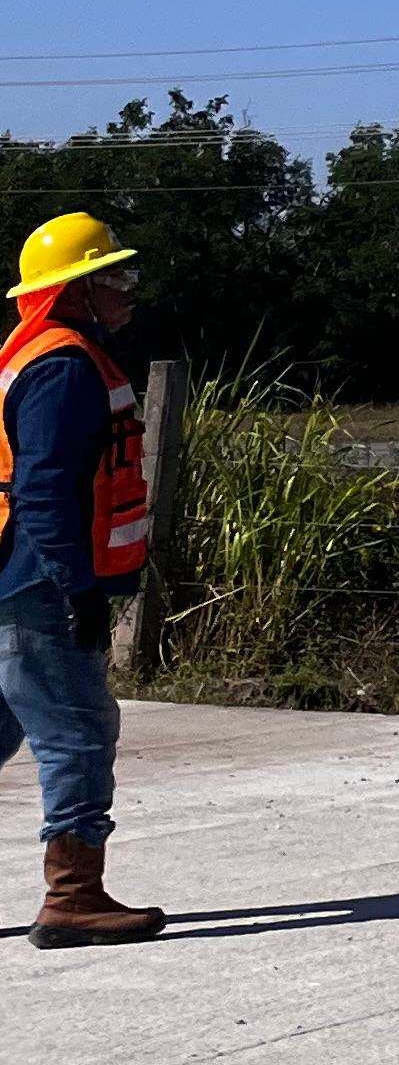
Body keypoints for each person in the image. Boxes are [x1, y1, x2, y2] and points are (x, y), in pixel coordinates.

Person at [0, 214, 165, 946]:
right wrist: (77, 589)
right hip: (40, 580)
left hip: (13, 572)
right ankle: (74, 896)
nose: (129, 288)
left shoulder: (45, 352)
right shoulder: (65, 366)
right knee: (78, 732)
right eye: (114, 274)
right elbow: (42, 488)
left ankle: (75, 889)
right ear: (74, 290)